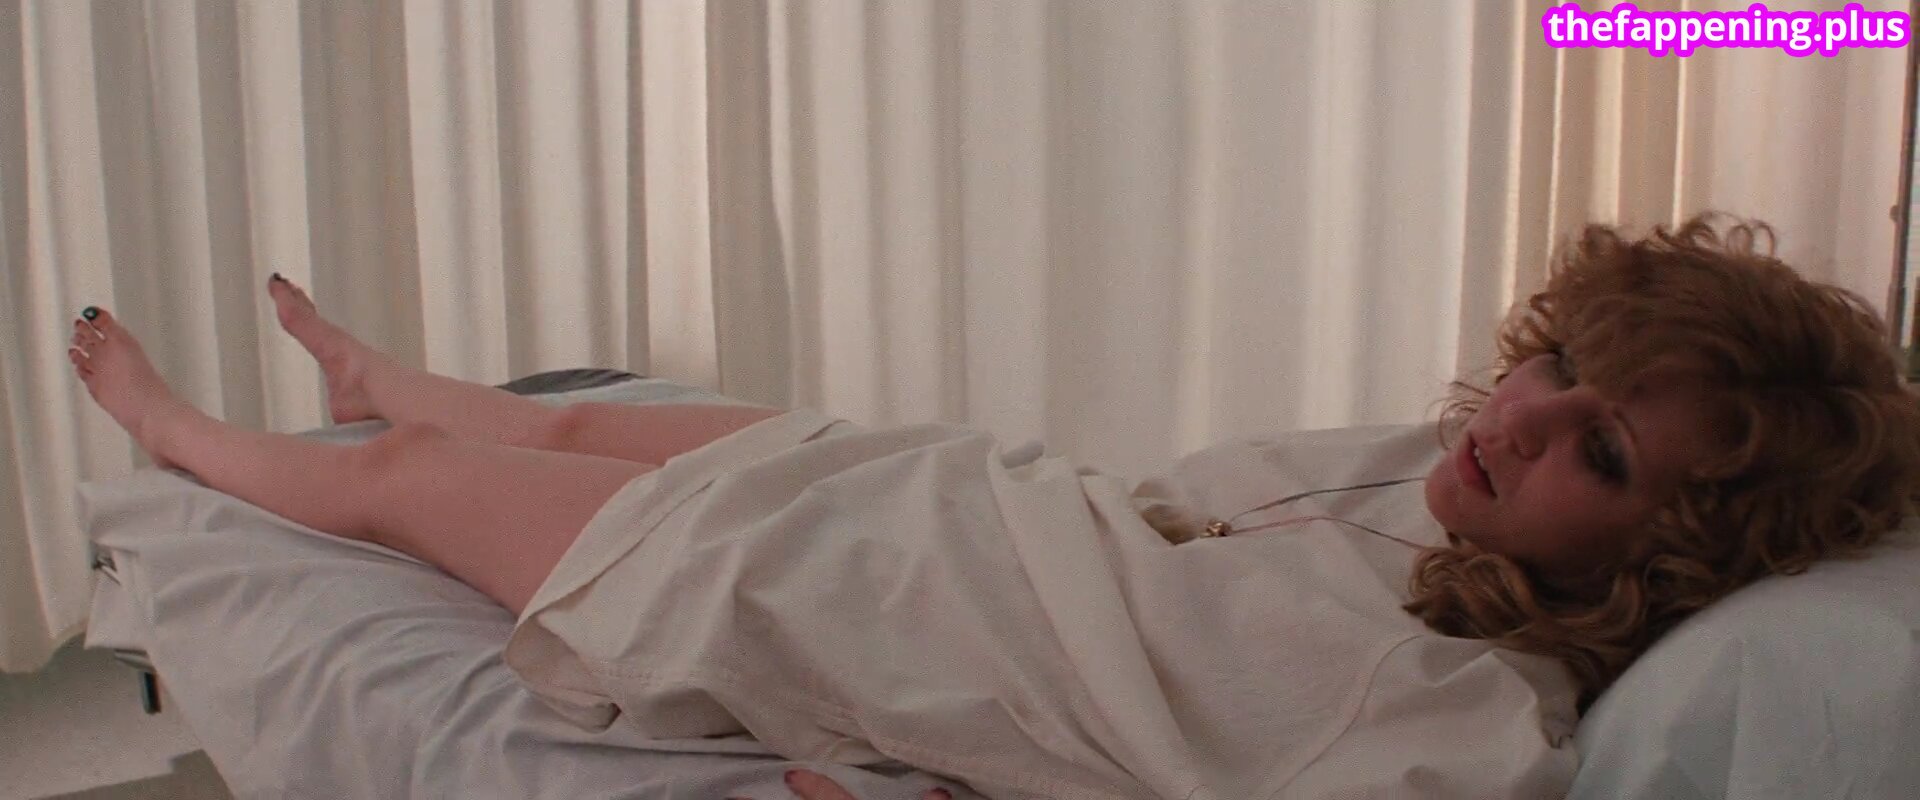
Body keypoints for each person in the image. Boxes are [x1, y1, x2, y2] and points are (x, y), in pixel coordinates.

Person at [67, 214, 1920, 798]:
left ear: (1676, 553)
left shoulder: (1471, 727)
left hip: (837, 598)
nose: (1523, 421)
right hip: (950, 497)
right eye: (1561, 368)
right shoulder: (1417, 479)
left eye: (1606, 454)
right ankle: (393, 382)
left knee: (406, 492)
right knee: (553, 431)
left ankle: (182, 438)